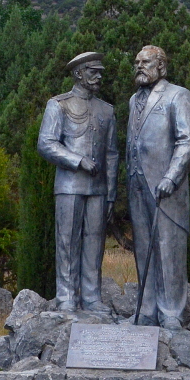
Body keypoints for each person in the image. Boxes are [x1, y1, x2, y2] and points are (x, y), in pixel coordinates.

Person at [36, 51, 118, 313]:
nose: (99, 77)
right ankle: (67, 297)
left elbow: (112, 154)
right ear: (78, 73)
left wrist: (111, 193)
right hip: (69, 186)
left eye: (100, 72)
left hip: (98, 190)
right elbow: (46, 143)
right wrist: (77, 160)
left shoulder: (107, 110)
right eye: (93, 71)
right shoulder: (58, 105)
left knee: (95, 244)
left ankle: (92, 298)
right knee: (67, 242)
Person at [126, 45, 190, 329]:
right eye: (137, 62)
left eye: (145, 62)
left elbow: (189, 139)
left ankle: (171, 312)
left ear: (161, 66)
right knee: (143, 247)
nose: (139, 66)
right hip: (137, 183)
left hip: (166, 185)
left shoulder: (178, 95)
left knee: (168, 248)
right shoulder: (133, 100)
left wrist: (172, 176)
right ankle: (146, 311)